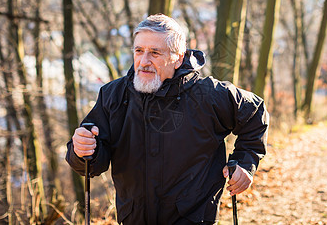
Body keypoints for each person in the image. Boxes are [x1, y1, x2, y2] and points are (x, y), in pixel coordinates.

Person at [66, 14, 269, 224]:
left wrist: (245, 162)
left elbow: (255, 113)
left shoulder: (209, 95)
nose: (144, 61)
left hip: (192, 219)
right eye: (139, 51)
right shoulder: (113, 95)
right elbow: (92, 162)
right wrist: (82, 151)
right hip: (133, 218)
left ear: (178, 57)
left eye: (155, 53)